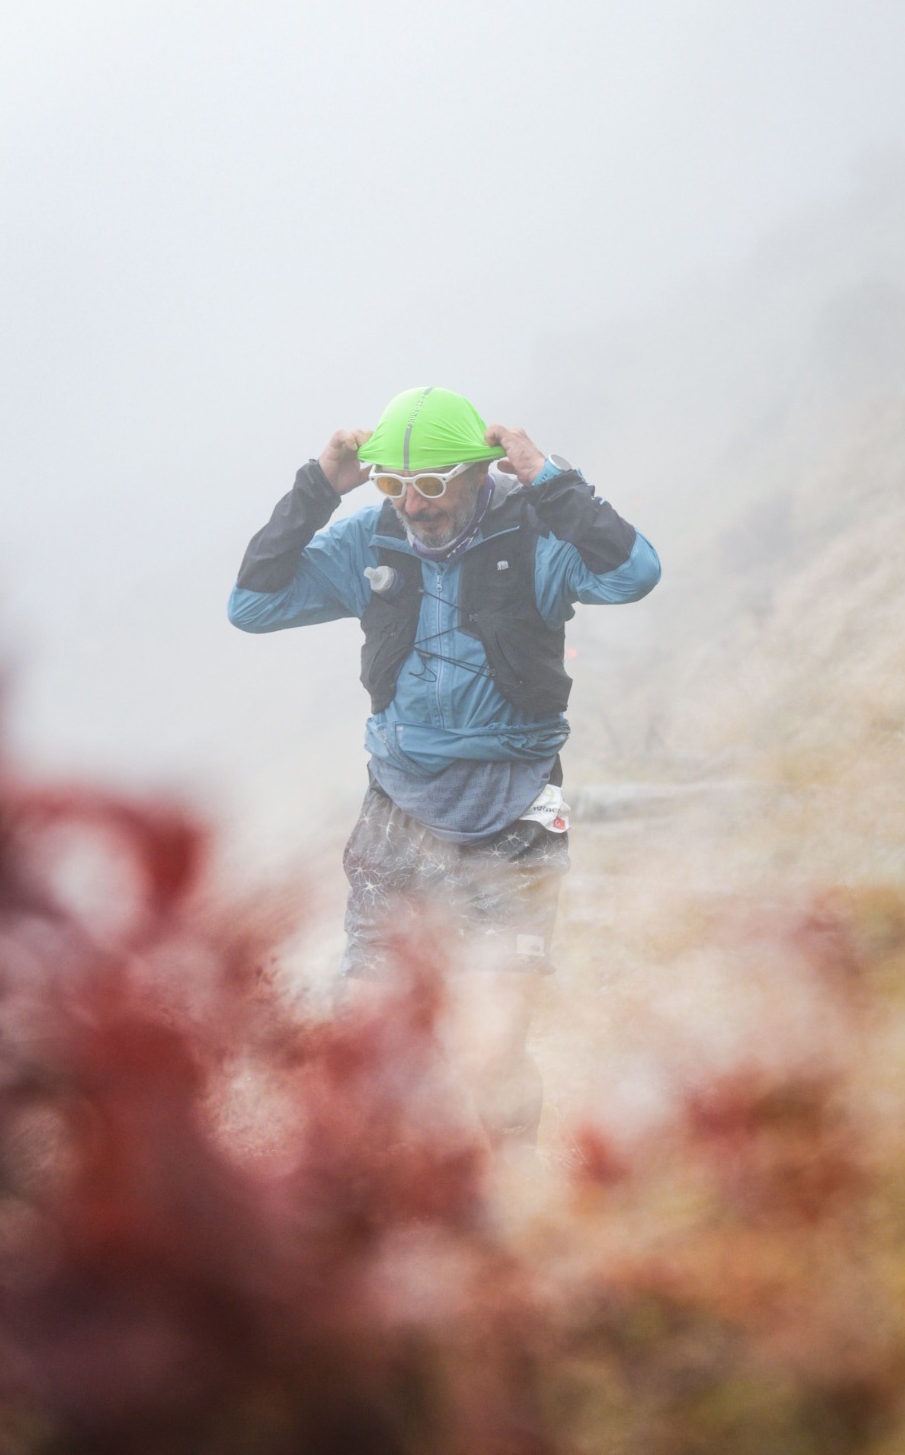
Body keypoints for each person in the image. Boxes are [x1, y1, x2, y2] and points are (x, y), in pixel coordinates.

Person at [228, 386, 661, 1147]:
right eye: (394, 486)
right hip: (397, 812)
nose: (414, 505)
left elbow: (634, 574)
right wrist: (317, 487)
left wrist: (546, 477)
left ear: (475, 472)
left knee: (491, 1053)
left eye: (431, 484)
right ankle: (395, 1230)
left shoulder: (537, 535)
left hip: (517, 812)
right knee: (372, 1057)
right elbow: (252, 604)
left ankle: (516, 1176)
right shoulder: (371, 540)